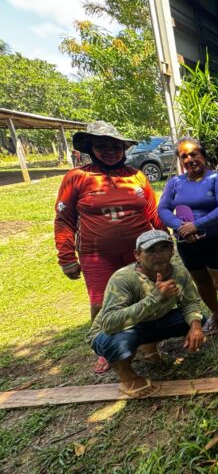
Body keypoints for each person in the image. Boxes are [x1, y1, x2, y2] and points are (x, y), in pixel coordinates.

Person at [54, 121, 163, 373]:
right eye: (103, 145)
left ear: (124, 149)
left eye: (116, 146)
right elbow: (64, 219)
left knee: (146, 296)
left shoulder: (136, 176)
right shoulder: (77, 178)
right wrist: (66, 256)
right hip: (97, 254)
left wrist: (164, 240)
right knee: (102, 303)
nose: (111, 150)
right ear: (91, 147)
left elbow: (152, 213)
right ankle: (106, 347)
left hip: (140, 253)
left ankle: (148, 345)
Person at [87, 230, 205, 398]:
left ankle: (146, 347)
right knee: (120, 341)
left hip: (149, 322)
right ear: (137, 254)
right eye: (151, 250)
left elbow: (191, 302)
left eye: (164, 248)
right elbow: (109, 323)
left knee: (196, 320)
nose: (158, 255)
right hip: (108, 332)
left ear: (172, 251)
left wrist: (195, 326)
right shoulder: (123, 279)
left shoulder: (178, 272)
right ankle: (127, 376)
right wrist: (156, 298)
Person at [158, 138, 218, 342]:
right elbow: (163, 208)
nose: (189, 159)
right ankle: (216, 312)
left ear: (203, 156)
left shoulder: (217, 179)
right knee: (202, 280)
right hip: (187, 242)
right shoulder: (175, 183)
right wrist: (181, 227)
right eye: (184, 156)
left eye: (194, 154)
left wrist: (197, 225)